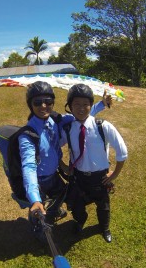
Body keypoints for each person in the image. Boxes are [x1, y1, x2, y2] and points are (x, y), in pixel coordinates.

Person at [19, 81, 111, 239]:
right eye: (37, 102)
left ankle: (55, 211)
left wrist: (102, 104)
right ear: (30, 105)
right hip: (39, 181)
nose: (43, 106)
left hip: (54, 174)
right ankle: (39, 230)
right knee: (41, 210)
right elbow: (28, 167)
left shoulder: (55, 120)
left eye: (48, 101)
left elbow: (81, 113)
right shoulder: (27, 135)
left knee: (66, 197)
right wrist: (34, 199)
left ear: (53, 103)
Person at [61, 83, 127, 243]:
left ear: (91, 105)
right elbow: (54, 148)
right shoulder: (68, 128)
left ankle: (104, 227)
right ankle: (80, 221)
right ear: (69, 106)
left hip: (100, 177)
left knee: (103, 206)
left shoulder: (103, 126)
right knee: (76, 206)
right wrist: (63, 166)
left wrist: (114, 174)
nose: (81, 108)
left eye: (86, 104)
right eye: (76, 104)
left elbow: (122, 151)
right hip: (78, 177)